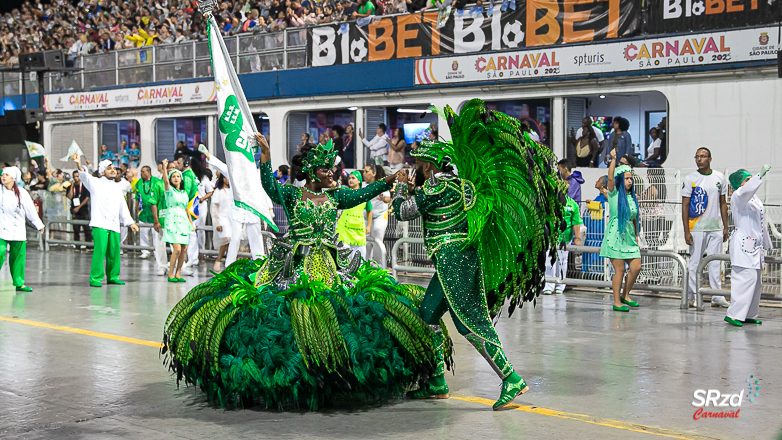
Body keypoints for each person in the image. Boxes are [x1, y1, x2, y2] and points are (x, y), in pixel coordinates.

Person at [162, 135, 434, 411]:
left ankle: (335, 369)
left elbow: (360, 195)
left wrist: (389, 181)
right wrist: (266, 157)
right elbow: (268, 186)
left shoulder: (336, 196)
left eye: (333, 169)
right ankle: (296, 374)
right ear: (311, 173)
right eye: (325, 170)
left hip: (332, 265)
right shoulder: (293, 194)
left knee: (340, 312)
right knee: (290, 313)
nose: (332, 174)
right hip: (294, 265)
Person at [391, 100, 565, 410]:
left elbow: (404, 212)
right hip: (452, 261)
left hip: (454, 261)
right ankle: (436, 381)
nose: (414, 167)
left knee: (470, 324)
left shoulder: (435, 187)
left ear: (428, 166)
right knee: (428, 315)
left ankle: (511, 378)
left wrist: (401, 188)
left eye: (418, 163)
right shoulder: (456, 185)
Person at [71, 155, 139, 287]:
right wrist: (79, 164)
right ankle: (95, 278)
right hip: (99, 223)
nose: (113, 170)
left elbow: (122, 206)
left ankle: (113, 276)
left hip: (114, 224)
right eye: (109, 168)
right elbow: (84, 175)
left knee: (114, 251)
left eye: (114, 168)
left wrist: (130, 222)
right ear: (102, 172)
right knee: (100, 251)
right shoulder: (95, 182)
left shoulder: (117, 188)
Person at [201, 149, 268, 265]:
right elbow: (220, 165)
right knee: (234, 239)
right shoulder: (233, 171)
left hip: (252, 209)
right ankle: (229, 265)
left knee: (256, 237)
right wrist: (207, 154)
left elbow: (262, 191)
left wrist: (268, 208)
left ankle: (259, 263)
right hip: (237, 210)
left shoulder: (256, 173)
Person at [724, 166, 772, 326]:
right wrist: (760, 175)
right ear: (739, 183)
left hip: (754, 246)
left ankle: (749, 313)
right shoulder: (738, 196)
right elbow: (746, 190)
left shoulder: (754, 199)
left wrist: (766, 241)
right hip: (743, 245)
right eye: (747, 179)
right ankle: (734, 314)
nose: (751, 182)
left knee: (756, 280)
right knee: (744, 279)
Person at [682, 148, 729, 308]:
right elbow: (685, 205)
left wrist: (725, 226)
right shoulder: (691, 178)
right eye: (697, 157)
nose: (699, 159)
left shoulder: (719, 177)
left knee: (715, 262)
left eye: (702, 156)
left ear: (710, 159)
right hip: (696, 228)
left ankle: (718, 296)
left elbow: (723, 203)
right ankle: (693, 296)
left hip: (715, 228)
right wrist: (686, 230)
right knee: (695, 263)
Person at [600, 148, 642, 312]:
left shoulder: (632, 197)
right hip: (616, 235)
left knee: (636, 267)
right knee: (620, 269)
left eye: (631, 179)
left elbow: (634, 218)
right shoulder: (614, 193)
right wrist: (613, 160)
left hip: (630, 236)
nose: (630, 181)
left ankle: (626, 294)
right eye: (626, 179)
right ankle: (617, 301)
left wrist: (637, 235)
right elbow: (610, 178)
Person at [0, 167, 45, 292]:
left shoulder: (22, 193)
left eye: (7, 175)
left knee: (18, 257)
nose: (3, 177)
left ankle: (19, 283)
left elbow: (30, 210)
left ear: (14, 178)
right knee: (0, 252)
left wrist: (39, 224)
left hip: (17, 229)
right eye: (2, 175)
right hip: (1, 230)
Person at [544, 190, 583, 294]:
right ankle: (549, 285)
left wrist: (577, 238)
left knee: (562, 261)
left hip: (565, 237)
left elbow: (576, 222)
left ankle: (560, 285)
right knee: (549, 260)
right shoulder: (550, 202)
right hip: (552, 235)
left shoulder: (572, 203)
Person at [161, 159, 193, 283]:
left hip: (183, 221)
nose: (176, 178)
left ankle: (178, 273)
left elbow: (186, 209)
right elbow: (165, 180)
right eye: (173, 176)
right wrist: (164, 167)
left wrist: (190, 223)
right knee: (177, 249)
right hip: (173, 219)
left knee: (184, 248)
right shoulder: (169, 191)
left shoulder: (184, 193)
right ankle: (170, 274)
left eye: (178, 176)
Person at [336, 171, 373, 258]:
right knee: (343, 258)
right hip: (344, 229)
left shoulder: (364, 194)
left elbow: (369, 210)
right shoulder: (345, 192)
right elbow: (335, 185)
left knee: (359, 258)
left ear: (359, 181)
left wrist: (369, 226)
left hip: (358, 230)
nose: (350, 180)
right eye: (349, 178)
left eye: (353, 178)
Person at [362, 164, 391, 267]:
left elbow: (388, 198)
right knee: (366, 243)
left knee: (377, 241)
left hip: (379, 217)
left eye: (366, 172)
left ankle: (381, 266)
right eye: (363, 172)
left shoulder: (381, 185)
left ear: (374, 173)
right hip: (365, 218)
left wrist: (384, 199)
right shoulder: (363, 186)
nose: (364, 174)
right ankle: (366, 266)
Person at [210, 172, 232, 272]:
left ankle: (229, 261)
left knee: (232, 240)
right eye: (225, 178)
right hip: (222, 218)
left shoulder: (232, 191)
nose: (227, 180)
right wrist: (217, 222)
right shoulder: (218, 191)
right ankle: (218, 260)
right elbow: (214, 208)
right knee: (226, 238)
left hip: (232, 218)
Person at [135, 166, 159, 259]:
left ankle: (157, 251)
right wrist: (136, 205)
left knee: (155, 233)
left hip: (153, 211)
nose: (141, 174)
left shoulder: (156, 181)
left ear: (149, 172)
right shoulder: (139, 183)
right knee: (143, 232)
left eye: (143, 172)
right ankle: (145, 251)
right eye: (141, 172)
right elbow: (137, 196)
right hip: (143, 211)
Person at [67, 170, 92, 246]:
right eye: (74, 177)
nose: (76, 178)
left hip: (83, 210)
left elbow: (87, 198)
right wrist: (71, 186)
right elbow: (69, 196)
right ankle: (77, 245)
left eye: (77, 176)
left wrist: (79, 207)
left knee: (87, 229)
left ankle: (88, 245)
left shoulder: (85, 186)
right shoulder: (71, 186)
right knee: (76, 229)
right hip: (75, 211)